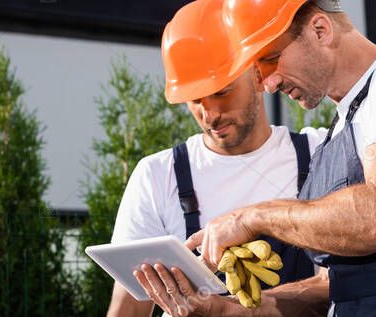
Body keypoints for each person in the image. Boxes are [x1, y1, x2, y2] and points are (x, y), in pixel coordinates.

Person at [139, 0, 376, 315]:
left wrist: (254, 217)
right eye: (259, 72)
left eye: (271, 59)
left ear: (320, 30)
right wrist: (223, 309)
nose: (270, 84)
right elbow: (329, 287)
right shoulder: (337, 133)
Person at [111, 1, 330, 316]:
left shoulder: (318, 152)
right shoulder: (158, 177)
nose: (210, 114)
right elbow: (128, 308)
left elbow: (342, 285)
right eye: (195, 100)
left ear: (258, 75)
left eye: (222, 92)